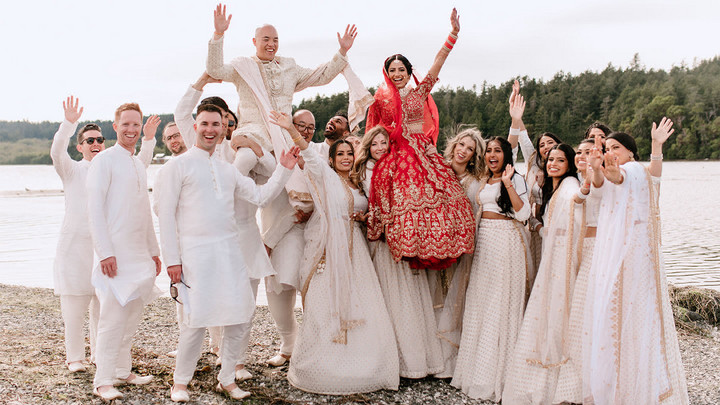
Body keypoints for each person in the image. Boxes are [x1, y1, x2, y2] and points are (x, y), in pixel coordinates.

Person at [157, 103, 297, 402]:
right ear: (195, 127)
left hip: (231, 253)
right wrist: (172, 260)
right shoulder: (176, 167)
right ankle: (180, 382)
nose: (210, 129)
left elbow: (260, 197)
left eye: (215, 124)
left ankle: (227, 377)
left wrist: (284, 169)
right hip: (194, 255)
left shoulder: (228, 170)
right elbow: (166, 216)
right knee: (196, 319)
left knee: (240, 315)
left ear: (223, 128)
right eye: (204, 124)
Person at [270, 110, 399, 394]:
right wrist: (290, 130)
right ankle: (327, 367)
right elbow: (309, 153)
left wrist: (364, 219)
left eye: (349, 154)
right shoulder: (325, 177)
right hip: (329, 252)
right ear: (331, 158)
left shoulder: (358, 183)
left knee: (364, 304)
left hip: (358, 253)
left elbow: (368, 207)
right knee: (326, 305)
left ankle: (364, 365)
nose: (345, 157)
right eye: (339, 153)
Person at [582, 121, 689, 404]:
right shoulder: (617, 172)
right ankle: (618, 383)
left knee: (640, 312)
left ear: (630, 151)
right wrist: (597, 167)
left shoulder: (635, 171)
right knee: (615, 310)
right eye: (607, 148)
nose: (610, 151)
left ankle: (641, 381)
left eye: (616, 147)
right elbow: (608, 180)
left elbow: (646, 175)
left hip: (640, 254)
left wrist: (656, 146)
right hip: (622, 253)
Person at [366, 8, 475, 271]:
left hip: (421, 149)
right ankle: (406, 247)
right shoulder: (380, 98)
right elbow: (374, 131)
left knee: (442, 197)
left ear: (408, 70)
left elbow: (439, 63)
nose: (396, 74)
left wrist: (453, 34)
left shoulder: (420, 91)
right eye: (391, 70)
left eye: (401, 69)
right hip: (396, 150)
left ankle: (436, 248)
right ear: (387, 73)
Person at [86, 103, 162, 401]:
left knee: (131, 316)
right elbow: (94, 210)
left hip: (138, 255)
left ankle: (122, 370)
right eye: (126, 124)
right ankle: (102, 380)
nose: (131, 129)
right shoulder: (104, 160)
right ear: (115, 126)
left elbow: (143, 212)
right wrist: (104, 252)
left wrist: (154, 251)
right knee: (112, 318)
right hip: (114, 255)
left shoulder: (137, 164)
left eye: (136, 124)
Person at [451, 136, 532, 402]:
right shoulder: (485, 180)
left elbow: (523, 215)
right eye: (489, 151)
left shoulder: (515, 179)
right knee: (480, 301)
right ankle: (475, 372)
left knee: (500, 303)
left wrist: (508, 183)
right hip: (484, 241)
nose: (492, 155)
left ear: (507, 155)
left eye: (498, 151)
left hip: (506, 241)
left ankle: (500, 375)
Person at [502, 143, 582, 404]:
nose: (553, 163)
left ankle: (560, 381)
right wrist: (538, 227)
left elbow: (575, 215)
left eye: (560, 160)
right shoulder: (555, 189)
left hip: (561, 263)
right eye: (550, 159)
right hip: (552, 258)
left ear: (570, 164)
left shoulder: (569, 188)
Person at [50, 96, 105, 373]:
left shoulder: (109, 170)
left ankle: (99, 355)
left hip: (103, 249)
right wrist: (68, 124)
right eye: (90, 140)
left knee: (102, 305)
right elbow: (57, 153)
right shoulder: (71, 170)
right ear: (80, 146)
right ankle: (75, 358)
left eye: (100, 140)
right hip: (74, 248)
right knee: (73, 307)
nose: (96, 144)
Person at [431, 127, 486, 378]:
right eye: (461, 145)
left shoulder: (474, 182)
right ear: (453, 145)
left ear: (474, 155)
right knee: (434, 294)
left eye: (470, 149)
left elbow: (474, 215)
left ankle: (452, 358)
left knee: (456, 296)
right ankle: (432, 353)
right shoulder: (437, 169)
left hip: (461, 248)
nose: (463, 151)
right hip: (434, 244)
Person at [553, 138, 604, 403]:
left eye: (588, 152)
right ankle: (576, 379)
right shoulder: (574, 182)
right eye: (579, 152)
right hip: (577, 249)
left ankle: (596, 382)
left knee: (591, 311)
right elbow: (576, 201)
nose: (582, 156)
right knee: (578, 312)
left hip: (598, 250)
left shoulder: (601, 177)